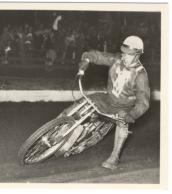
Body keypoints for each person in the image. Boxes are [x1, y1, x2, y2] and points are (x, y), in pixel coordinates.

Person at [62, 35, 150, 170]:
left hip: (123, 107)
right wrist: (86, 59)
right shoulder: (116, 59)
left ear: (137, 55)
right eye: (124, 53)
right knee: (82, 103)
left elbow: (143, 103)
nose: (125, 56)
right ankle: (58, 129)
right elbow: (97, 56)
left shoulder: (140, 75)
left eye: (129, 54)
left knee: (122, 123)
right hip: (107, 98)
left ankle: (114, 157)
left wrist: (131, 115)